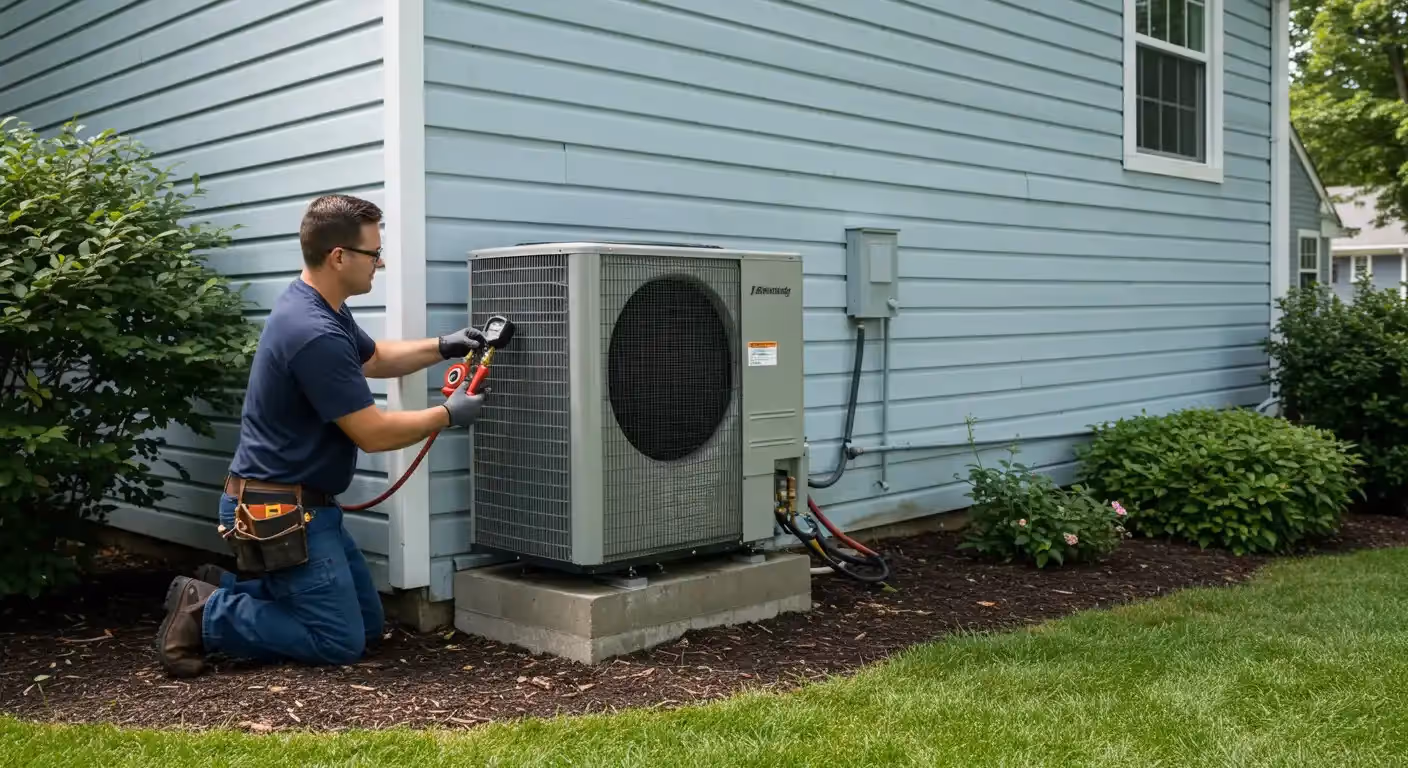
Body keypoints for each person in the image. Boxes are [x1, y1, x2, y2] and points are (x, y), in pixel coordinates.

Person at [154, 194, 488, 678]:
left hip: (307, 507)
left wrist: (443, 346)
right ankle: (207, 612)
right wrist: (447, 414)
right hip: (280, 512)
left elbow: (373, 360)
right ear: (339, 257)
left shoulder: (319, 305)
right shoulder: (313, 332)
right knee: (337, 641)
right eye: (374, 253)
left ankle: (221, 587)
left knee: (369, 626)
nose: (382, 262)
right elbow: (372, 434)